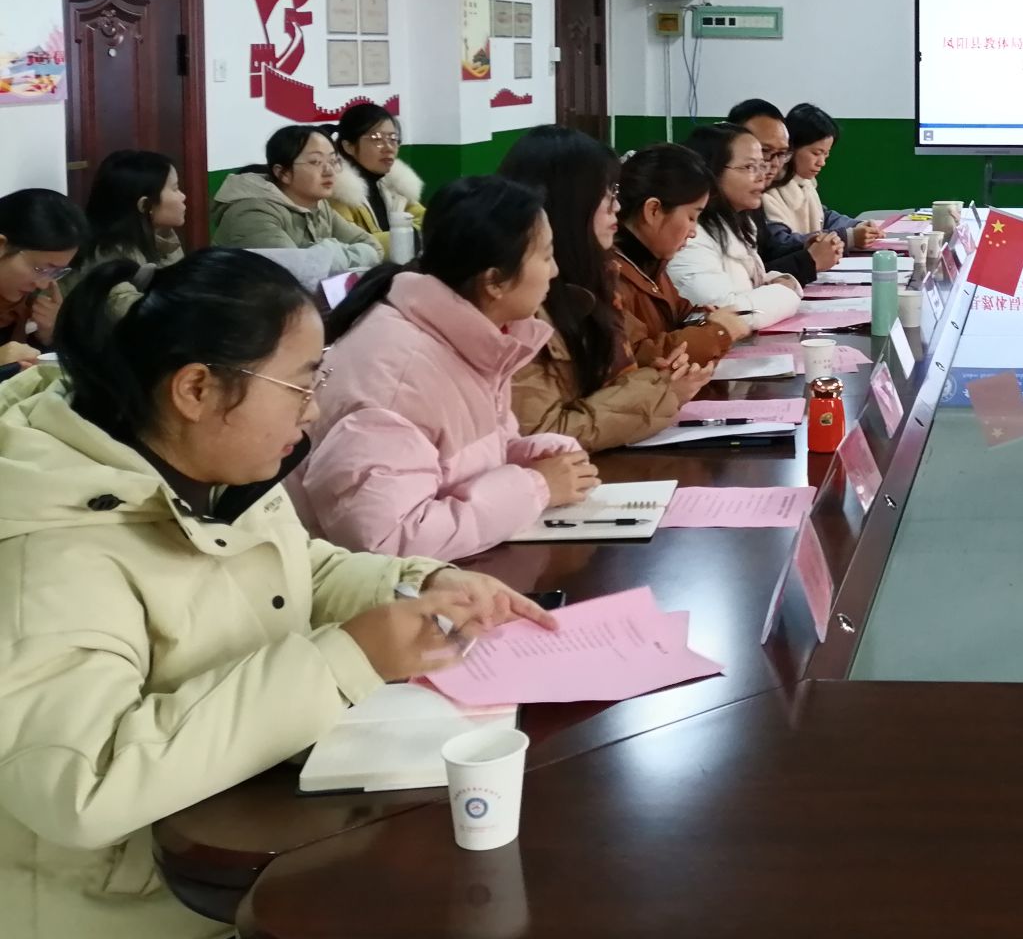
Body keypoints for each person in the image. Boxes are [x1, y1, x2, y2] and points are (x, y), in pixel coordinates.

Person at [0, 247, 550, 939]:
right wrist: (341, 660)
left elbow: (298, 570)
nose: (313, 411)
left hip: (254, 843)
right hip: (140, 908)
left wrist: (418, 582)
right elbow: (82, 784)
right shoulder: (53, 549)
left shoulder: (209, 468)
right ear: (197, 390)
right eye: (298, 385)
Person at [293, 176, 599, 560]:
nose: (554, 271)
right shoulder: (403, 374)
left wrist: (526, 457)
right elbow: (385, 539)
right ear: (494, 282)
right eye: (546, 255)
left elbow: (445, 464)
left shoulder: (472, 338)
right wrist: (535, 487)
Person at [499, 127, 719, 451]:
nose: (617, 207)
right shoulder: (521, 302)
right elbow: (542, 434)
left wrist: (656, 381)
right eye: (607, 194)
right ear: (571, 202)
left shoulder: (593, 278)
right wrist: (660, 391)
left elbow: (614, 379)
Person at [609, 142, 749, 361]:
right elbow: (639, 357)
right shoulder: (610, 275)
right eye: (692, 217)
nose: (693, 232)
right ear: (653, 210)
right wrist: (716, 333)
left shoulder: (652, 261)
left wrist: (702, 318)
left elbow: (679, 314)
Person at [671, 123, 805, 327]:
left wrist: (779, 282)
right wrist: (785, 291)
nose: (762, 176)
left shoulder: (739, 223)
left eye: (761, 165)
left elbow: (747, 287)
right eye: (749, 167)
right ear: (712, 171)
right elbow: (728, 315)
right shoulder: (689, 237)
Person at [211, 125, 381, 277]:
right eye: (315, 162)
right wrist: (333, 251)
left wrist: (325, 254)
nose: (329, 171)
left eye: (332, 161)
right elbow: (294, 274)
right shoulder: (252, 214)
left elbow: (373, 247)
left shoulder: (319, 205)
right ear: (283, 173)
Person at [727, 99, 843, 282]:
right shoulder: (710, 213)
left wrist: (805, 246)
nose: (774, 164)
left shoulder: (753, 203)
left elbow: (767, 256)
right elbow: (745, 282)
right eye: (765, 151)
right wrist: (809, 260)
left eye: (782, 154)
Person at [760, 102, 883, 252]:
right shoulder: (766, 190)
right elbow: (780, 243)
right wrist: (848, 237)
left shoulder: (805, 183)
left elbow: (823, 217)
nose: (821, 162)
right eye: (816, 153)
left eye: (826, 154)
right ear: (791, 147)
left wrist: (856, 225)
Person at [68, 151, 186, 295]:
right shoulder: (112, 257)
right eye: (175, 189)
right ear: (144, 205)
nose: (183, 196)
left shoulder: (163, 237)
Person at [0, 189, 86, 370]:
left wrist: (52, 335)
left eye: (56, 272)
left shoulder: (29, 307)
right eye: (40, 269)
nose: (43, 284)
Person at [329, 103, 426, 255]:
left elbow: (428, 222)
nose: (389, 148)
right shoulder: (337, 192)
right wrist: (410, 238)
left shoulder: (394, 184)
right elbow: (353, 246)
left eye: (393, 139)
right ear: (349, 146)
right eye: (377, 139)